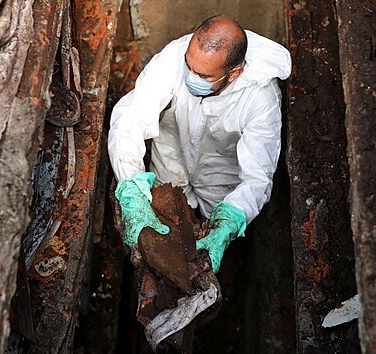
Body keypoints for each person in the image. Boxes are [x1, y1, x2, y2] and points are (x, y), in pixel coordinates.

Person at [108, 15, 291, 272]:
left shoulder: (260, 99)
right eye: (189, 67)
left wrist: (229, 221)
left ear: (233, 74)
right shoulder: (174, 56)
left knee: (213, 232)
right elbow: (131, 116)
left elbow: (257, 178)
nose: (191, 76)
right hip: (172, 154)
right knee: (162, 223)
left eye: (202, 75)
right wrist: (131, 190)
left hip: (220, 175)